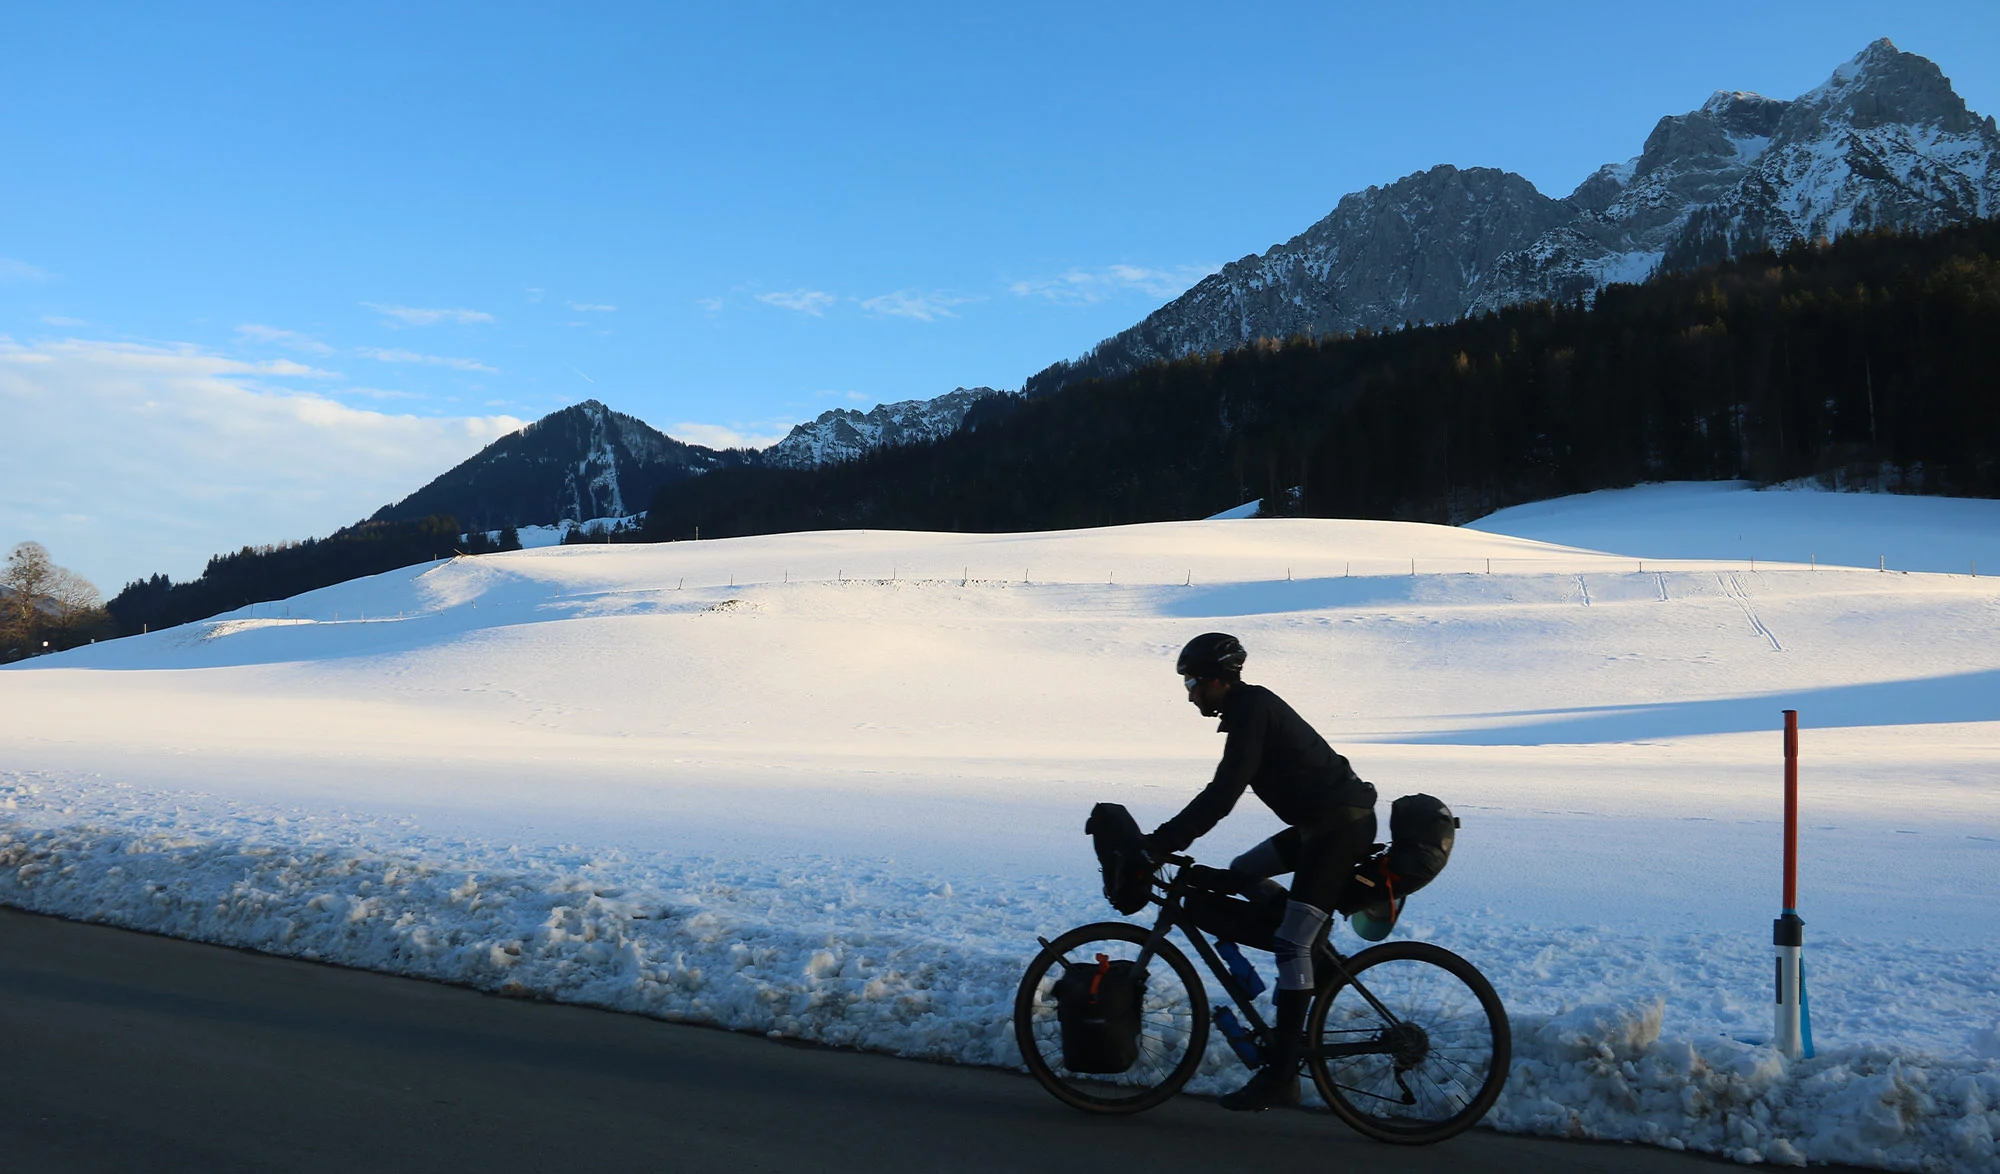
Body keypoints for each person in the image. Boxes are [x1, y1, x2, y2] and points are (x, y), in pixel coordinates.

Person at [1144, 632, 1378, 1112]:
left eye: (1191, 682)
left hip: (1339, 829)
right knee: (1242, 872)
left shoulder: (1253, 710)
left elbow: (1222, 795)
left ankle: (1282, 1075)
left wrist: (1160, 842)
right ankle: (1316, 953)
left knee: (1291, 943)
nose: (1189, 693)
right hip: (1320, 826)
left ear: (1215, 679)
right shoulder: (1246, 710)